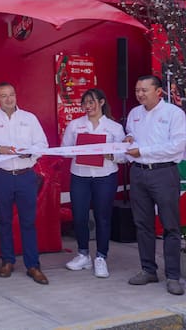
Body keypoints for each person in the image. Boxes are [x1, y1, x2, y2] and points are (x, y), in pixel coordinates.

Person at [0, 82, 49, 285]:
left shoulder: (29, 118)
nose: (9, 99)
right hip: (2, 176)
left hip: (26, 175)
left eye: (11, 95)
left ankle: (33, 265)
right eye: (3, 95)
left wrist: (31, 152)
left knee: (28, 222)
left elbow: (42, 145)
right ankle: (7, 261)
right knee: (4, 221)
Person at [124, 75, 186, 295]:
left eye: (144, 90)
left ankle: (172, 276)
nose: (140, 94)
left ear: (158, 91)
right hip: (139, 173)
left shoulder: (174, 114)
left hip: (164, 173)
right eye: (137, 89)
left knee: (170, 226)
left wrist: (143, 151)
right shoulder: (134, 113)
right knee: (143, 224)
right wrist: (129, 139)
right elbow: (132, 134)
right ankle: (148, 269)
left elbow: (177, 146)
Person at [61, 88, 126, 278]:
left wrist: (110, 154)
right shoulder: (74, 125)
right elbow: (64, 150)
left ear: (102, 102)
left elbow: (124, 155)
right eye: (85, 103)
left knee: (102, 216)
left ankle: (101, 257)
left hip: (105, 176)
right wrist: (78, 150)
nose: (88, 107)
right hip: (80, 175)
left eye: (92, 102)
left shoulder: (114, 128)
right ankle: (83, 254)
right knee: (80, 216)